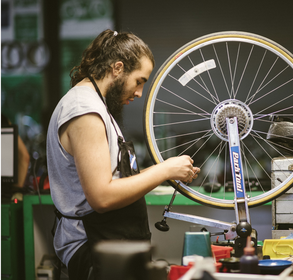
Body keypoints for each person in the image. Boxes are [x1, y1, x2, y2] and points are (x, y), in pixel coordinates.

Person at [46, 29, 200, 280]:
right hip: (94, 249)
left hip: (111, 243)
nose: (139, 92)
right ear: (118, 68)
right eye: (139, 81)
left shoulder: (96, 105)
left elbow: (114, 180)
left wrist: (167, 169)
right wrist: (164, 170)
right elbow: (102, 197)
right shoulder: (84, 110)